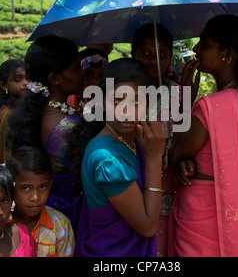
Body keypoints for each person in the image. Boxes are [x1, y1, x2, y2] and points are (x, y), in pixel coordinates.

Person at [167, 14, 238, 257]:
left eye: (204, 44)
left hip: (202, 210)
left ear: (226, 53)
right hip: (237, 210)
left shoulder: (211, 106)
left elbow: (174, 156)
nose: (195, 49)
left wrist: (184, 100)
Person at [70, 58, 166, 257]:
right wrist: (155, 158)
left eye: (136, 101)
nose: (126, 110)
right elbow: (147, 226)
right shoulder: (106, 160)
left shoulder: (133, 139)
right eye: (117, 101)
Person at [8, 36, 85, 233]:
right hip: (67, 209)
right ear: (54, 79)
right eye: (76, 69)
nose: (82, 73)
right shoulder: (66, 124)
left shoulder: (42, 110)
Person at [131, 23, 191, 257]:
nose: (152, 60)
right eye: (145, 53)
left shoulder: (179, 94)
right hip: (134, 188)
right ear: (132, 53)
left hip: (171, 189)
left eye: (161, 54)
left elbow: (186, 140)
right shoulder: (123, 97)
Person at [6, 146, 75, 257]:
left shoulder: (60, 224)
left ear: (50, 185)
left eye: (43, 187)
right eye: (25, 188)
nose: (35, 197)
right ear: (10, 187)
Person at [0, 59, 30, 164]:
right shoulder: (9, 114)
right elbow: (10, 153)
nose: (26, 83)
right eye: (18, 80)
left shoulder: (21, 108)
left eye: (28, 78)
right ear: (3, 85)